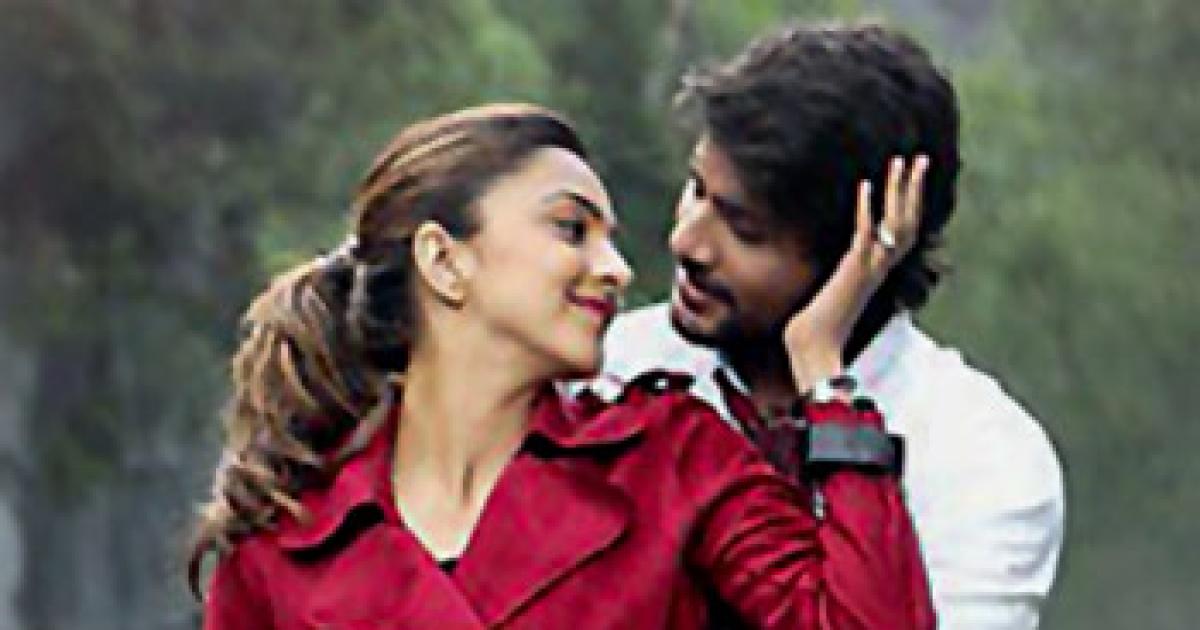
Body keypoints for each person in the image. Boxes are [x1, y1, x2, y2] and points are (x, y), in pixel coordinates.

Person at [189, 103, 935, 629]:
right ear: (444, 262)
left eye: (609, 238)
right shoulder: (288, 538)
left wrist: (823, 368)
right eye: (571, 229)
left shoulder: (671, 458)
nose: (615, 269)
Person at [591, 22, 1065, 630]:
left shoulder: (977, 456)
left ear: (859, 249)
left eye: (743, 229)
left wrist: (823, 380)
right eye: (696, 190)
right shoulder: (610, 370)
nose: (687, 241)